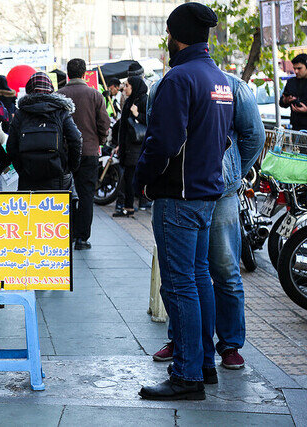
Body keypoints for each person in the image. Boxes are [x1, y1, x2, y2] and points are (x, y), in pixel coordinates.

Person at [134, 2, 233, 401]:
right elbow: (224, 140)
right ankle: (204, 364)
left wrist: (141, 179)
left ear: (176, 38)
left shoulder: (179, 79)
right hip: (207, 193)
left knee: (180, 287)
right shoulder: (220, 78)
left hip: (178, 196)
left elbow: (164, 143)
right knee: (197, 279)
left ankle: (187, 374)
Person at [150, 72, 265, 371]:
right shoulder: (163, 86)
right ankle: (184, 340)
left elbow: (255, 136)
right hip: (179, 193)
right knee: (179, 273)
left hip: (221, 193)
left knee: (224, 269)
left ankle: (228, 344)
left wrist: (231, 171)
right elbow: (157, 137)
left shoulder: (234, 86)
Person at [58, 58, 110, 250]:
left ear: (68, 74)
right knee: (86, 194)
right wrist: (100, 141)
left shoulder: (59, 95)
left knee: (65, 193)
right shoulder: (95, 95)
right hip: (89, 151)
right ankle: (82, 238)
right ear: (84, 73)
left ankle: (67, 233)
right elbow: (104, 124)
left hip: (65, 153)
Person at [7, 72, 82, 192]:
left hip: (27, 177)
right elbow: (76, 139)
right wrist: (69, 167)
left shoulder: (21, 113)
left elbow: (11, 147)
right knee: (58, 210)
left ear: (29, 90)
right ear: (50, 89)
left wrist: (21, 168)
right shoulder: (61, 111)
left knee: (30, 209)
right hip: (57, 176)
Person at [113, 76, 148, 217]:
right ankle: (128, 206)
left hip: (136, 147)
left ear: (134, 86)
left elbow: (150, 120)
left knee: (129, 176)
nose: (124, 88)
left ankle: (129, 207)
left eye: (127, 85)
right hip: (127, 146)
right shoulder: (129, 101)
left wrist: (137, 114)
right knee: (128, 177)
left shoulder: (144, 100)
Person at [279, 53, 307, 131]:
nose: (296, 71)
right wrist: (286, 100)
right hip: (296, 127)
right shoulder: (291, 82)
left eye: (299, 68)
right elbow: (281, 102)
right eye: (294, 68)